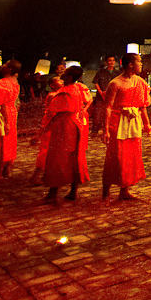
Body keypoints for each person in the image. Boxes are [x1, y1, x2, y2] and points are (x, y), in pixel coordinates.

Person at [101, 53, 151, 201]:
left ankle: (125, 190)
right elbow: (108, 107)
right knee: (115, 157)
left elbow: (142, 106)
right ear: (130, 64)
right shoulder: (115, 83)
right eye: (139, 62)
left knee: (131, 157)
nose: (141, 65)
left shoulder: (140, 82)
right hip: (117, 124)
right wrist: (105, 130)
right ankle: (106, 191)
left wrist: (147, 123)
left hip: (133, 123)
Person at [42, 66, 92, 203]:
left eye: (65, 73)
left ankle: (53, 193)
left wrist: (44, 131)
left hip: (65, 127)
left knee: (58, 157)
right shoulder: (77, 88)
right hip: (76, 125)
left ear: (69, 77)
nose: (61, 74)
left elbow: (59, 115)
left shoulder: (65, 92)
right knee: (75, 157)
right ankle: (73, 192)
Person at [0, 61, 21, 177]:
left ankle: (0, 165)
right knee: (10, 138)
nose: (2, 66)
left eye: (5, 65)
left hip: (1, 111)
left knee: (0, 137)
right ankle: (8, 165)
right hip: (12, 111)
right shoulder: (15, 82)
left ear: (9, 69)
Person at [92, 55, 119, 137]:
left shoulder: (118, 73)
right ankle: (95, 131)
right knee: (98, 115)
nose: (112, 62)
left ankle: (110, 131)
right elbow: (96, 83)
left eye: (113, 60)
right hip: (101, 97)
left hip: (113, 97)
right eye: (110, 60)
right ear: (106, 62)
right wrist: (101, 93)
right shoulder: (100, 72)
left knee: (112, 115)